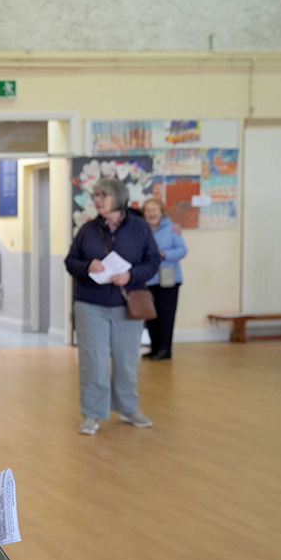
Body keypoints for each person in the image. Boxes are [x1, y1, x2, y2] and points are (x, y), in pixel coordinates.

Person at [64, 178, 161, 435]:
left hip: (126, 304)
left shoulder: (140, 228)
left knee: (126, 361)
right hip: (90, 304)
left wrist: (131, 275)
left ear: (117, 198)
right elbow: (70, 262)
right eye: (95, 195)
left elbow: (153, 261)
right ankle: (92, 414)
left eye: (103, 195)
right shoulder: (88, 230)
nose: (97, 200)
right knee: (93, 361)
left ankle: (128, 408)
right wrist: (87, 266)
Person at [141, 197, 187, 360]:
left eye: (154, 210)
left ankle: (165, 349)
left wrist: (164, 254)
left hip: (168, 279)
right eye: (148, 210)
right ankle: (154, 348)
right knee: (150, 315)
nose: (151, 213)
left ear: (161, 212)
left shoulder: (172, 229)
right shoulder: (141, 230)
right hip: (148, 279)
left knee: (166, 316)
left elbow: (182, 250)